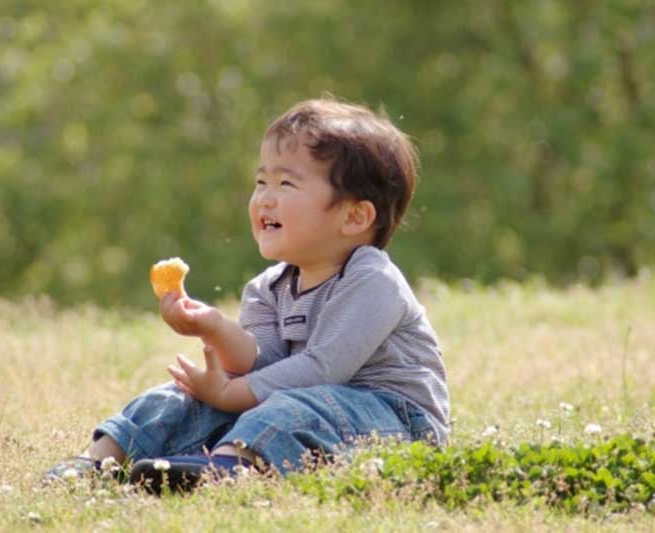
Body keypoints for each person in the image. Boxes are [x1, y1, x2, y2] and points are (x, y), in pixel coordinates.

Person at [47, 97, 450, 493]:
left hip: (395, 420)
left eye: (286, 183)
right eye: (261, 182)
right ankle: (99, 461)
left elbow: (324, 369)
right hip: (308, 405)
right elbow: (261, 366)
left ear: (354, 216)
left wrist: (229, 392)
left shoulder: (373, 280)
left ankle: (227, 468)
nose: (265, 198)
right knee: (180, 397)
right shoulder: (268, 287)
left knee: (290, 408)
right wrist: (213, 328)